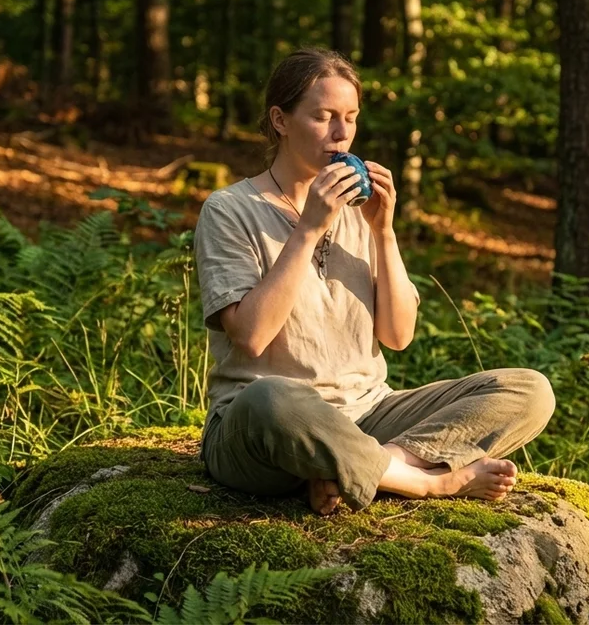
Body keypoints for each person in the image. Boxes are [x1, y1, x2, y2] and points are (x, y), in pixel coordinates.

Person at [193, 48, 555, 515]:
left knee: (529, 390)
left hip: (368, 413)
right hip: (264, 427)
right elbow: (252, 336)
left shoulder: (358, 211)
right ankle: (427, 484)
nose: (341, 133)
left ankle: (368, 467)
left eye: (350, 118)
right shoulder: (229, 210)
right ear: (280, 120)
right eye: (323, 117)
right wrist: (308, 229)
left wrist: (383, 231)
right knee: (271, 396)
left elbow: (398, 336)